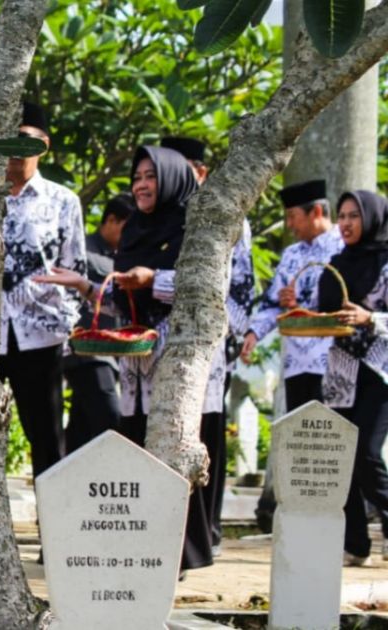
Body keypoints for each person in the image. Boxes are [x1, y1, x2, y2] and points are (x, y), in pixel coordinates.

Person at [36, 145, 232, 575]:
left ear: (174, 178)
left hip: (178, 361)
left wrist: (154, 278)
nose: (141, 185)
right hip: (137, 363)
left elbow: (212, 283)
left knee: (173, 453)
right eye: (136, 177)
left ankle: (181, 553)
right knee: (140, 447)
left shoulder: (198, 226)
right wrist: (86, 287)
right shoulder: (135, 230)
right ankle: (153, 551)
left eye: (151, 176)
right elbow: (124, 305)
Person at [160, 135, 258, 555]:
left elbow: (242, 285)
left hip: (211, 340)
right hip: (161, 340)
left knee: (208, 435)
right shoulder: (162, 215)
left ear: (199, 171)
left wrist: (233, 331)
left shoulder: (229, 215)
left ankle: (209, 529)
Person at [0, 101, 86, 478]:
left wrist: (66, 326)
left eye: (24, 139)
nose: (16, 147)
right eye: (8, 139)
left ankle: (54, 533)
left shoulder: (63, 201)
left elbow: (75, 267)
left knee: (46, 438)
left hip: (42, 336)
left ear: (43, 145)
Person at [316, 190, 388, 566]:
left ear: (373, 219)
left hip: (381, 371)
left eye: (353, 216)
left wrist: (369, 319)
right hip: (342, 372)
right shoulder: (336, 264)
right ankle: (356, 544)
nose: (344, 223)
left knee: (366, 452)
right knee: (342, 456)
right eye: (341, 216)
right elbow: (323, 313)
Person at [241, 180, 344, 406]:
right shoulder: (291, 254)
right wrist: (254, 333)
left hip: (334, 359)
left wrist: (303, 306)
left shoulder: (344, 247)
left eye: (292, 216)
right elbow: (272, 304)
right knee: (298, 432)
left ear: (316, 212)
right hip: (296, 361)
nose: (288, 224)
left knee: (330, 433)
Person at [62, 193, 133, 452]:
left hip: (110, 356)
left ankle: (68, 482)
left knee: (81, 429)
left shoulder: (123, 254)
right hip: (86, 353)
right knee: (111, 419)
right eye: (128, 227)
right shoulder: (84, 252)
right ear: (111, 220)